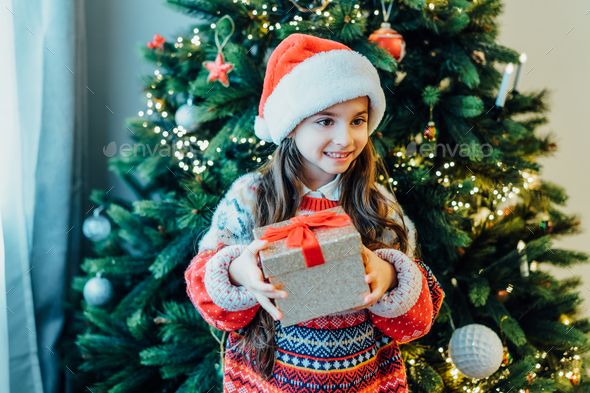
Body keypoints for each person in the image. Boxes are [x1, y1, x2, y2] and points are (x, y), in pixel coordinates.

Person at [185, 33, 444, 393]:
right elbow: (207, 296)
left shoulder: (377, 205)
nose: (345, 139)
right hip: (267, 379)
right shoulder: (251, 197)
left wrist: (389, 275)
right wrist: (236, 271)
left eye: (357, 121)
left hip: (363, 380)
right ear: (292, 125)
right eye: (326, 121)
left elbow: (417, 321)